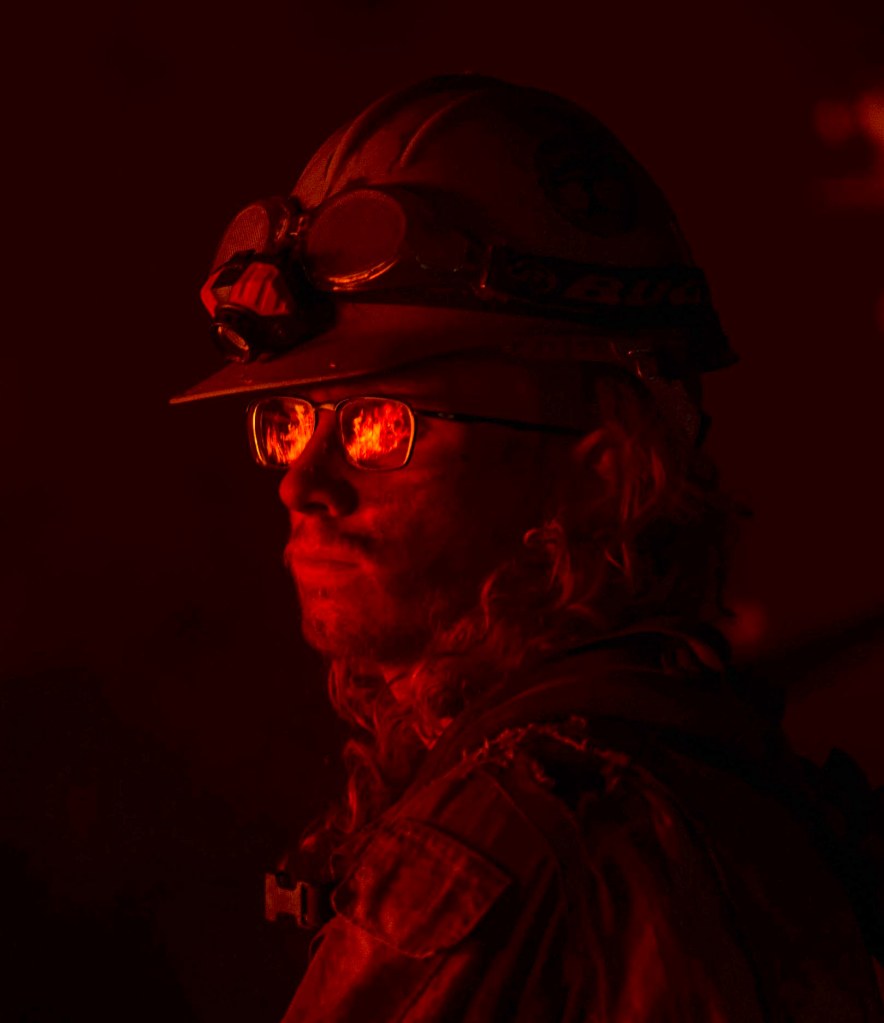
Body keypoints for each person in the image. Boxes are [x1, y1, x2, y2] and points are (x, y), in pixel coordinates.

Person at [173, 74, 884, 1021]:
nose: (301, 485)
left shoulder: (491, 862)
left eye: (382, 424)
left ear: (598, 474)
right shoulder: (732, 791)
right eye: (292, 422)